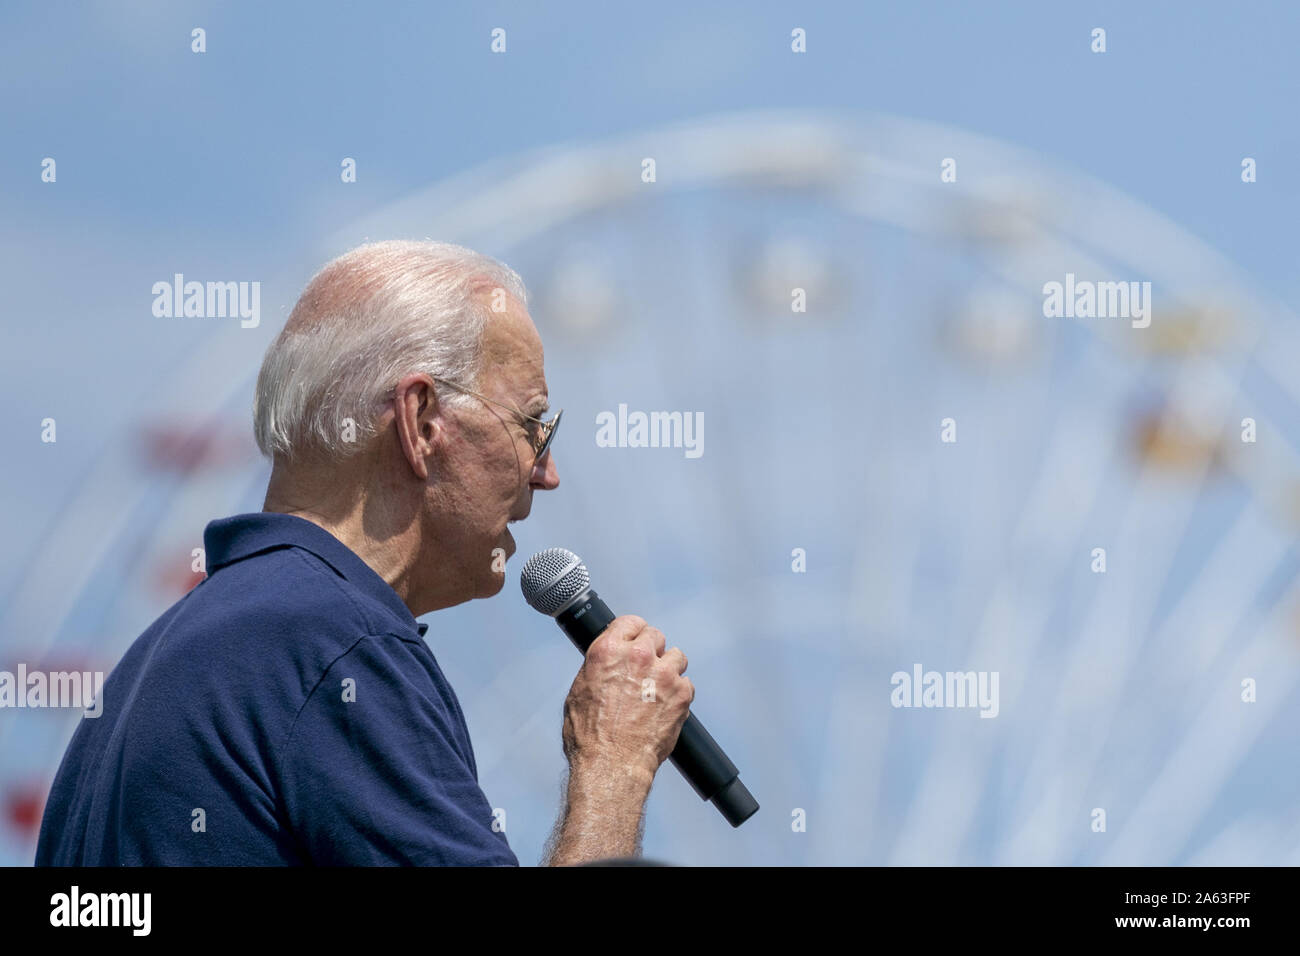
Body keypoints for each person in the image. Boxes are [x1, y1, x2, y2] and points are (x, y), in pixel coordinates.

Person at [36, 240, 694, 866]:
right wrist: (615, 767)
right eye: (531, 426)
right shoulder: (337, 646)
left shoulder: (136, 684)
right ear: (421, 420)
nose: (545, 472)